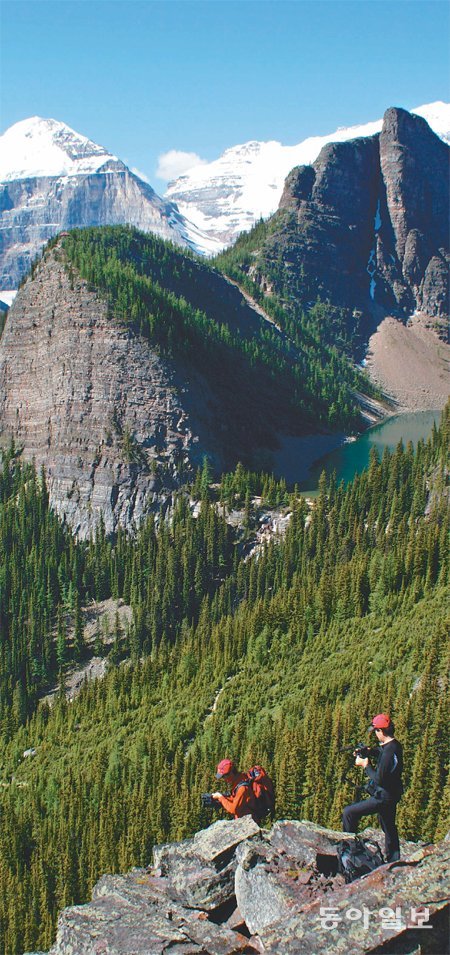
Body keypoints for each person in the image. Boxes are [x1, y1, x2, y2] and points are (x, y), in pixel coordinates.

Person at [342, 713, 404, 863]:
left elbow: (379, 779)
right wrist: (368, 751)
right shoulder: (394, 746)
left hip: (383, 797)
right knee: (388, 825)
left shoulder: (389, 752)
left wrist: (366, 765)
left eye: (376, 731)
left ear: (381, 731)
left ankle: (350, 852)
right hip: (392, 795)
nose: (375, 734)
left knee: (349, 813)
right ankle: (393, 859)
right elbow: (382, 752)